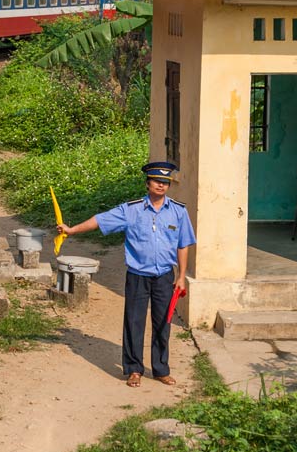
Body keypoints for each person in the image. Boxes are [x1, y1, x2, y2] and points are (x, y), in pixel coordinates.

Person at [57, 162, 196, 388]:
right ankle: (134, 369)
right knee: (134, 321)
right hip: (137, 275)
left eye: (165, 182)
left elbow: (183, 245)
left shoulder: (178, 212)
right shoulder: (131, 210)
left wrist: (181, 276)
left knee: (163, 322)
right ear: (147, 183)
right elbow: (100, 220)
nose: (161, 185)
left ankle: (161, 369)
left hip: (164, 276)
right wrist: (72, 230)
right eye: (156, 181)